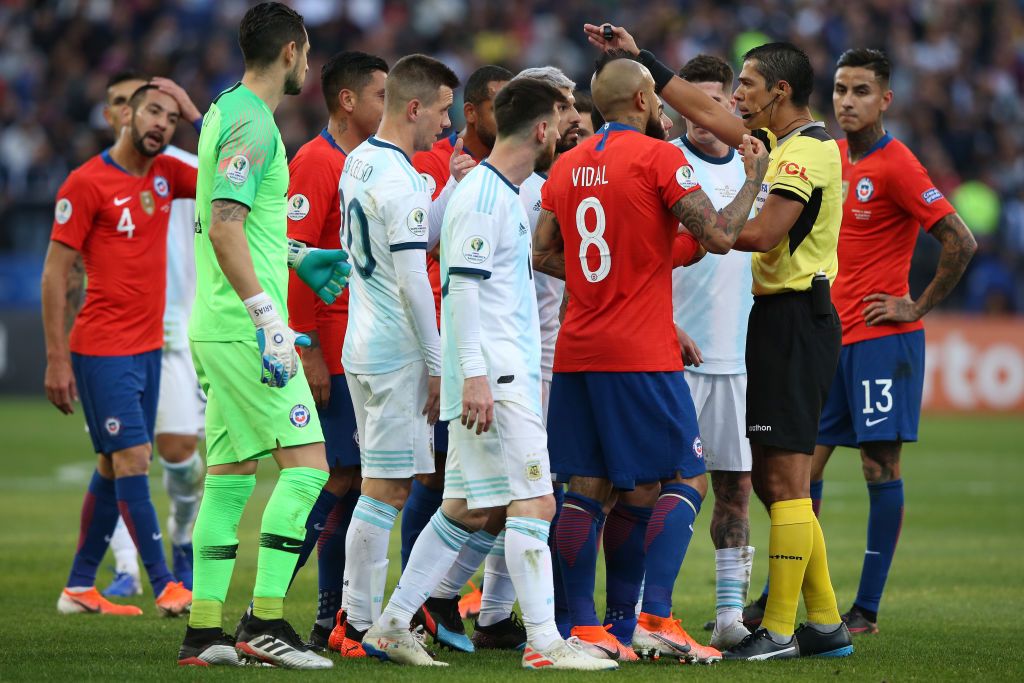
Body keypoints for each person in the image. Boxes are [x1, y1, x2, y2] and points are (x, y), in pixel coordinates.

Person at [586, 25, 855, 661]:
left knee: (783, 481)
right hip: (775, 320)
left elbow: (762, 235)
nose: (735, 98)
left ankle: (781, 631)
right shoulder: (776, 141)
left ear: (780, 90)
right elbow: (703, 108)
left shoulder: (806, 153)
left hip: (797, 317)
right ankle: (824, 621)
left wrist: (702, 224)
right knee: (770, 482)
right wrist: (639, 57)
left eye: (750, 86)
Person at [363, 76, 615, 672]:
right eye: (564, 118)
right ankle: (546, 644)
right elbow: (462, 292)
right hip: (497, 378)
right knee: (535, 504)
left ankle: (392, 623)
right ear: (543, 128)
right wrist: (475, 376)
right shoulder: (483, 197)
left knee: (467, 510)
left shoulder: (502, 190)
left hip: (496, 373)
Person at [532, 56, 766, 664]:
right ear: (642, 100)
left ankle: (585, 628)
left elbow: (543, 252)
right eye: (658, 101)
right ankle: (655, 618)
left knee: (588, 486)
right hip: (640, 350)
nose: (664, 109)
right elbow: (718, 235)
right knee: (687, 475)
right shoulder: (662, 158)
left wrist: (622, 274)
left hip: (578, 348)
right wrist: (750, 178)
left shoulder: (567, 165)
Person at [177, 2, 350, 669]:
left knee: (228, 476)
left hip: (218, 325)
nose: (307, 63)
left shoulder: (224, 109)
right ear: (290, 52)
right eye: (306, 53)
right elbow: (223, 225)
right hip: (242, 331)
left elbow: (241, 225)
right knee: (311, 468)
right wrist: (268, 317)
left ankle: (203, 631)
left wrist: (296, 255)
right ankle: (266, 622)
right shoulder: (253, 121)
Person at [811, 48, 975, 635]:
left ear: (885, 99)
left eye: (859, 91)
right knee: (800, 470)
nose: (846, 101)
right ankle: (789, 595)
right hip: (830, 339)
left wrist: (916, 304)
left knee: (880, 467)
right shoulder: (828, 158)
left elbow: (960, 240)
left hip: (882, 340)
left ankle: (867, 609)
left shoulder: (898, 164)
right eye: (839, 89)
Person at [43, 81, 198, 618]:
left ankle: (79, 587)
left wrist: (200, 116)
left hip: (149, 347)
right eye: (153, 112)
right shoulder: (85, 183)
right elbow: (54, 274)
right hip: (101, 348)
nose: (161, 123)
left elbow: (230, 179)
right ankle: (164, 584)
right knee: (133, 456)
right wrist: (57, 357)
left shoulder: (168, 174)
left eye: (171, 119)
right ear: (125, 115)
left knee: (115, 465)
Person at [336, 53, 458, 655]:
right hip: (396, 354)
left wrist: (450, 186)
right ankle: (360, 626)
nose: (446, 123)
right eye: (441, 110)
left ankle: (354, 620)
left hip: (363, 343)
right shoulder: (400, 180)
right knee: (384, 489)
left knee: (382, 485)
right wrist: (438, 366)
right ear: (414, 107)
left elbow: (401, 242)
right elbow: (414, 279)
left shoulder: (359, 162)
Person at [279, 50, 389, 653]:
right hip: (332, 350)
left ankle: (331, 615)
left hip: (361, 346)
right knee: (337, 475)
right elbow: (293, 257)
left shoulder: (365, 163)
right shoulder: (318, 162)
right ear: (347, 101)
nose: (388, 105)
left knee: (352, 478)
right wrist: (308, 347)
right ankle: (268, 604)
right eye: (380, 95)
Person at [402, 68, 513, 632]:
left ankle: (461, 606)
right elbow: (416, 250)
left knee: (499, 488)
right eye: (500, 105)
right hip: (445, 349)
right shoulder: (428, 164)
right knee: (436, 478)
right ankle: (414, 605)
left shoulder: (516, 170)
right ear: (471, 113)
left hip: (497, 348)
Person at [669, 55, 758, 651]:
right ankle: (653, 611)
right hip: (676, 354)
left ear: (730, 104)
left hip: (739, 356)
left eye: (715, 102)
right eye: (691, 104)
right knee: (666, 487)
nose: (704, 116)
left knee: (736, 489)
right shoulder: (665, 161)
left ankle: (729, 619)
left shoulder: (761, 166)